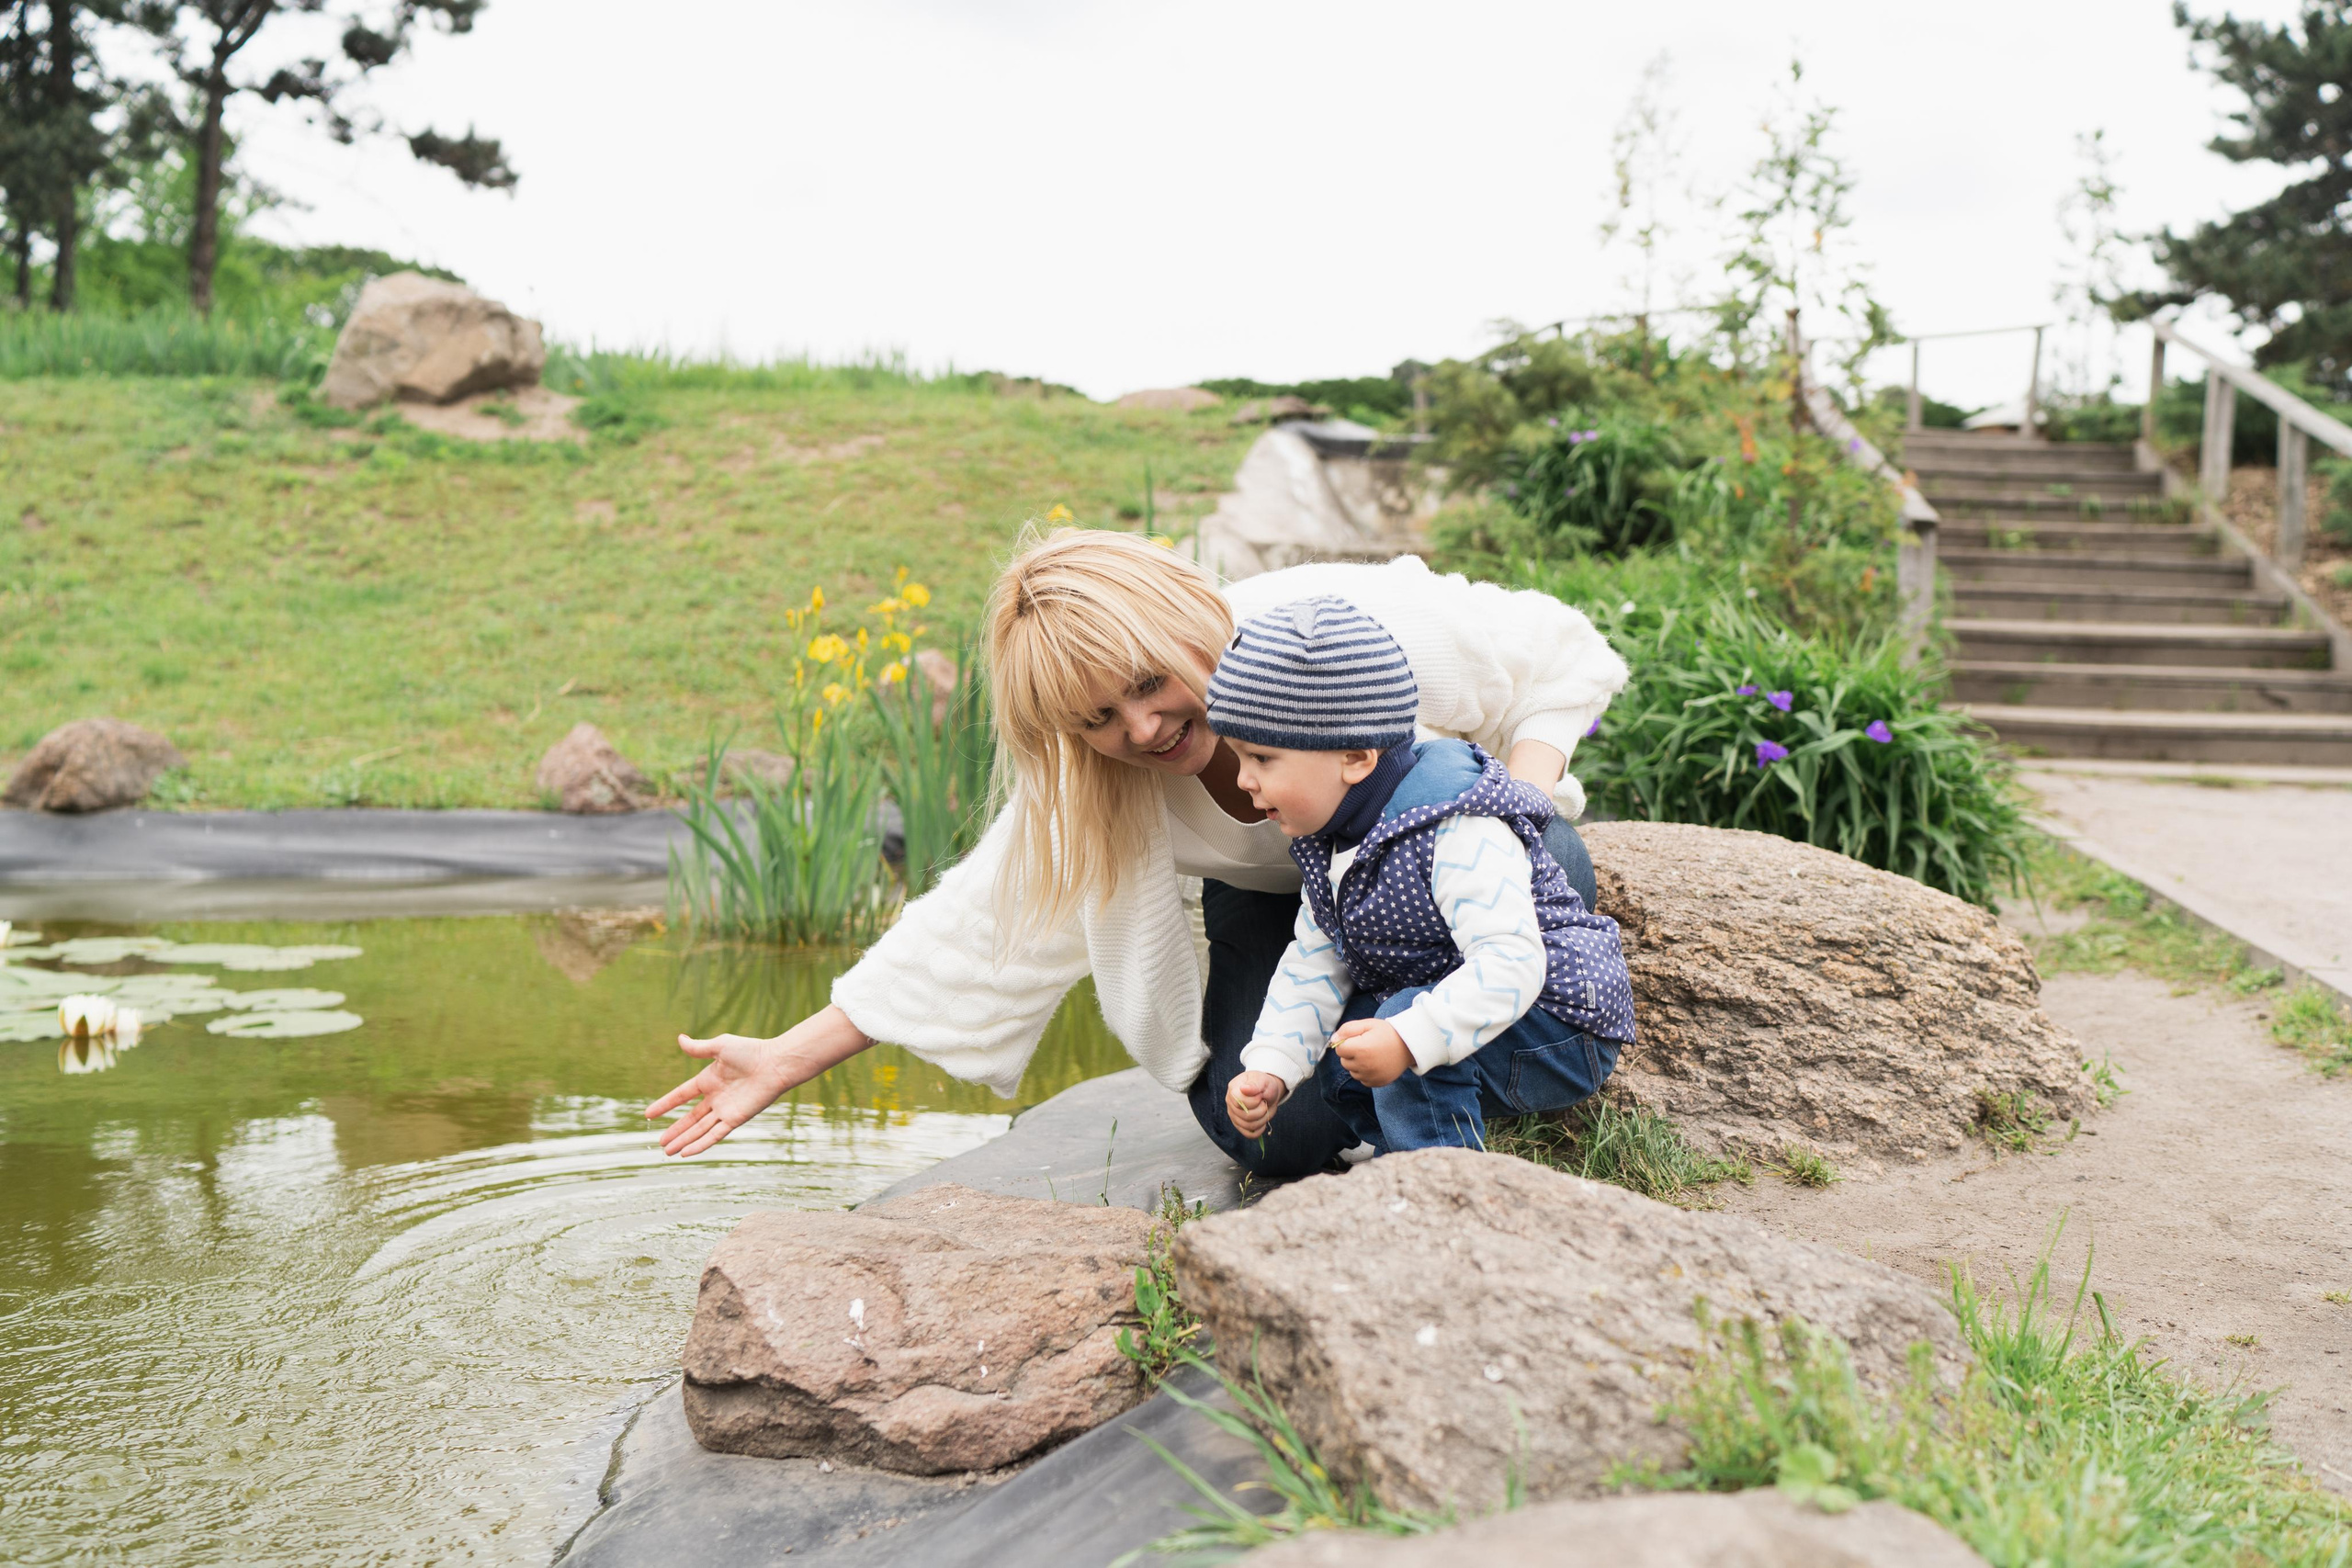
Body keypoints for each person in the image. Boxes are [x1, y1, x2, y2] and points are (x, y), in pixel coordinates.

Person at [647, 527, 1628, 1178]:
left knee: (1526, 901)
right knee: (1275, 1131)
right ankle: (1404, 1046)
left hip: (1454, 846)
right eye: (1100, 718)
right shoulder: (1097, 781)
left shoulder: (1326, 636)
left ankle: (1456, 1069)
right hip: (1296, 907)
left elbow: (1558, 652)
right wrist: (784, 1057)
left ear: (1186, 626)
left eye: (1151, 682)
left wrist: (1517, 799)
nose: (1145, 728)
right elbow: (978, 921)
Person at [1208, 595, 1634, 1156]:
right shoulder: (1331, 838)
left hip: (1557, 1023)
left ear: (1355, 757)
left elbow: (1512, 963)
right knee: (1351, 1045)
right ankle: (1409, 1151)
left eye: (1261, 758)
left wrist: (1408, 1037)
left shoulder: (1454, 827)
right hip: (1465, 997)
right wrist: (1273, 1064)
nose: (1243, 780)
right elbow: (1314, 961)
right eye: (1238, 757)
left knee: (1401, 1031)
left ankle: (1441, 1183)